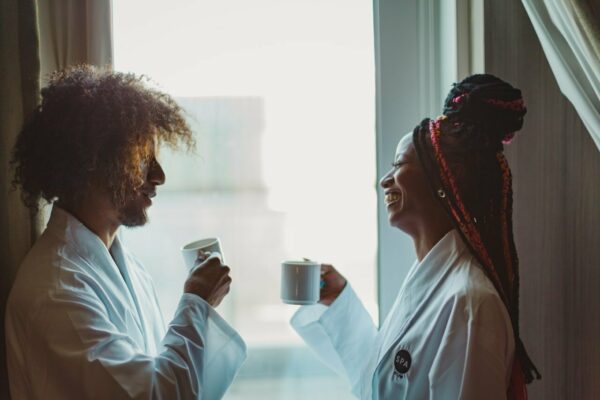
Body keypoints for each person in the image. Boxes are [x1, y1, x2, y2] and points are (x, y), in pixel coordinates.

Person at [291, 74, 541, 399]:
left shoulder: (469, 305)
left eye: (399, 164)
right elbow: (381, 380)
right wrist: (340, 300)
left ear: (444, 182)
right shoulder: (431, 284)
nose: (385, 180)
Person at [5, 65, 246, 399]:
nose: (159, 176)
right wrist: (195, 304)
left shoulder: (126, 266)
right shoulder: (55, 293)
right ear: (89, 163)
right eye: (141, 159)